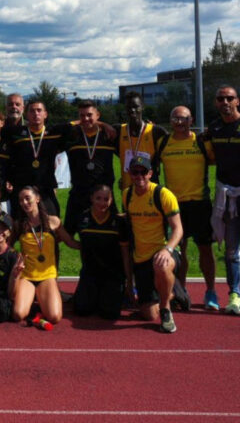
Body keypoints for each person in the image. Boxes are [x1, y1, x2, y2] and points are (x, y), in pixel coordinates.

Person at [156, 105, 218, 310]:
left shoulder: (201, 142)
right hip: (174, 207)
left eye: (183, 118)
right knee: (177, 252)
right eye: (175, 118)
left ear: (191, 120)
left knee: (205, 249)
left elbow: (219, 161)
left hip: (200, 204)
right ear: (170, 121)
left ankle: (211, 292)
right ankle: (180, 291)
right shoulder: (163, 143)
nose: (179, 122)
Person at [122, 156, 183, 333]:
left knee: (161, 265)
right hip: (141, 257)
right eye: (135, 172)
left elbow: (178, 229)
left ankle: (166, 309)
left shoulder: (163, 194)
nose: (139, 176)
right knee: (148, 314)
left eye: (143, 172)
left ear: (150, 173)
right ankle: (174, 293)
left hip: (164, 251)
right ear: (129, 173)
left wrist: (167, 249)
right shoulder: (127, 195)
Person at [11, 186, 79, 325]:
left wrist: (90, 245)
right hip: (27, 276)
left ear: (37, 198)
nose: (24, 202)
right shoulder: (19, 225)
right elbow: (8, 246)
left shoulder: (53, 221)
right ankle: (35, 300)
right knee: (18, 314)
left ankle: (40, 300)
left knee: (54, 317)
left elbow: (70, 242)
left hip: (47, 275)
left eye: (27, 198)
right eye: (21, 200)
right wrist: (16, 256)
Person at [201, 85, 240, 315]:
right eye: (220, 98)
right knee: (232, 250)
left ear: (237, 101)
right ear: (216, 103)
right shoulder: (213, 129)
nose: (225, 102)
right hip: (227, 195)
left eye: (229, 98)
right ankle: (235, 294)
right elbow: (211, 158)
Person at [73, 185, 132, 320]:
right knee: (82, 310)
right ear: (91, 198)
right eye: (98, 198)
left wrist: (129, 281)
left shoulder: (118, 221)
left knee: (109, 314)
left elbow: (125, 253)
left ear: (111, 201)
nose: (102, 202)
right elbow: (79, 244)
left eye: (106, 199)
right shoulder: (82, 218)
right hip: (90, 273)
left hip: (113, 274)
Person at [64, 100, 117, 236]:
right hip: (78, 195)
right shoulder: (72, 135)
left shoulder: (108, 135)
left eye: (89, 115)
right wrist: (101, 123)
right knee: (66, 234)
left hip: (104, 197)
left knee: (112, 235)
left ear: (98, 114)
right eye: (82, 116)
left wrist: (103, 125)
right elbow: (58, 128)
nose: (85, 119)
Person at [117, 91, 166, 191]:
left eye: (136, 106)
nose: (132, 110)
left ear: (142, 107)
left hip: (150, 191)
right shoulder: (118, 131)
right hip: (128, 191)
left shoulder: (156, 131)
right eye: (129, 107)